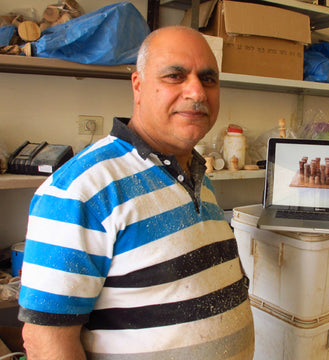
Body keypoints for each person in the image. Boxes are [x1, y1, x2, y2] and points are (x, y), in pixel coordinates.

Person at [18, 26, 255, 360]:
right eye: (175, 75)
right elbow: (47, 343)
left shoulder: (197, 173)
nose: (197, 92)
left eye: (208, 78)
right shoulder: (82, 190)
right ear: (139, 86)